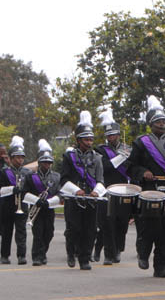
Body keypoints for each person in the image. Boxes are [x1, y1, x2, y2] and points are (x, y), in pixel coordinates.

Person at [127, 95, 165, 278]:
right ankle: (143, 254)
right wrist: (143, 172)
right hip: (150, 190)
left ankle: (161, 266)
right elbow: (131, 166)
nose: (162, 123)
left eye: (164, 120)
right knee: (149, 227)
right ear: (151, 123)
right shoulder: (142, 142)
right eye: (158, 121)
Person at [60, 111, 106, 270]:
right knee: (74, 229)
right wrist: (76, 190)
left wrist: (96, 192)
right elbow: (64, 180)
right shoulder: (69, 156)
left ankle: (85, 259)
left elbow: (101, 180)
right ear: (78, 140)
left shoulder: (98, 158)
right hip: (75, 198)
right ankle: (71, 253)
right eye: (86, 139)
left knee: (90, 230)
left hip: (91, 198)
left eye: (91, 139)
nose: (89, 142)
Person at [94, 109, 132, 265]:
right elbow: (104, 167)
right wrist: (120, 157)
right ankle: (108, 254)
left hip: (124, 189)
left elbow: (132, 167)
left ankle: (118, 249)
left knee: (122, 222)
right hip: (108, 188)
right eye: (109, 135)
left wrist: (126, 156)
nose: (111, 138)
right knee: (107, 222)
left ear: (118, 135)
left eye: (114, 135)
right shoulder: (101, 150)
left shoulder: (128, 149)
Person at [23, 139, 61, 266]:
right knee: (38, 233)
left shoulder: (56, 176)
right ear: (39, 162)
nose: (47, 164)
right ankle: (36, 257)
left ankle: (43, 253)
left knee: (49, 232)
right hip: (36, 207)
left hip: (49, 208)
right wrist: (37, 200)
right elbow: (24, 192)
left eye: (49, 162)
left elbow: (60, 193)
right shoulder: (30, 176)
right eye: (44, 162)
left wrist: (49, 202)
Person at [0, 136, 32, 264]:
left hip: (22, 205)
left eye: (22, 157)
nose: (20, 160)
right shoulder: (4, 172)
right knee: (6, 231)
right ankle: (4, 255)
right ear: (11, 159)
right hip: (7, 205)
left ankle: (21, 256)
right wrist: (12, 189)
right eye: (17, 157)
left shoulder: (27, 172)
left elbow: (31, 189)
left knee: (21, 232)